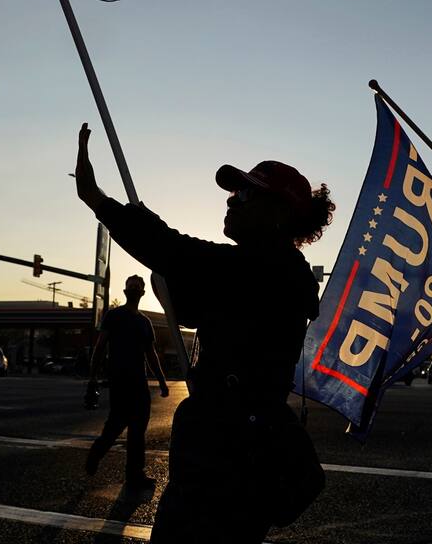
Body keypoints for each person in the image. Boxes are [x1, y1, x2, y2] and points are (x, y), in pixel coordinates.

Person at [74, 123, 334, 543]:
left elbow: (175, 251)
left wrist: (100, 201)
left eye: (246, 194)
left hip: (229, 462)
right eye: (233, 194)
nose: (232, 202)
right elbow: (192, 303)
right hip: (225, 452)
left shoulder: (268, 270)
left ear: (280, 213)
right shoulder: (262, 273)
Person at [85, 274, 170, 490]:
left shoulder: (144, 322)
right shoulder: (114, 316)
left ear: (142, 293)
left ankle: (134, 474)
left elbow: (151, 355)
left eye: (137, 287)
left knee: (137, 429)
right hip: (120, 380)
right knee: (116, 424)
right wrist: (92, 377)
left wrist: (161, 381)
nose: (133, 290)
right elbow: (100, 346)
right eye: (130, 287)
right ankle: (97, 452)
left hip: (139, 382)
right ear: (125, 292)